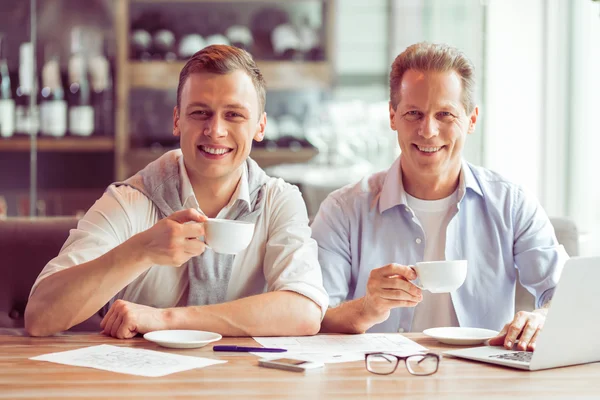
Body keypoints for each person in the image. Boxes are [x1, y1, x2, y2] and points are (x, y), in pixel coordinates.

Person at [25, 45, 328, 338]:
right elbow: (39, 316)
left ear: (260, 127)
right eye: (200, 113)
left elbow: (304, 309)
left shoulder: (279, 201)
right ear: (176, 120)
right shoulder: (129, 200)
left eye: (234, 115)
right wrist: (139, 251)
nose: (215, 130)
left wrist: (166, 319)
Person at [311, 42, 567, 351]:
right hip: (377, 378)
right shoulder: (343, 210)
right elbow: (314, 315)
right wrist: (368, 308)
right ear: (392, 117)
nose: (428, 130)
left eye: (445, 114)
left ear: (471, 120)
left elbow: (565, 294)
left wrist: (543, 317)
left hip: (483, 383)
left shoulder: (510, 203)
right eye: (414, 114)